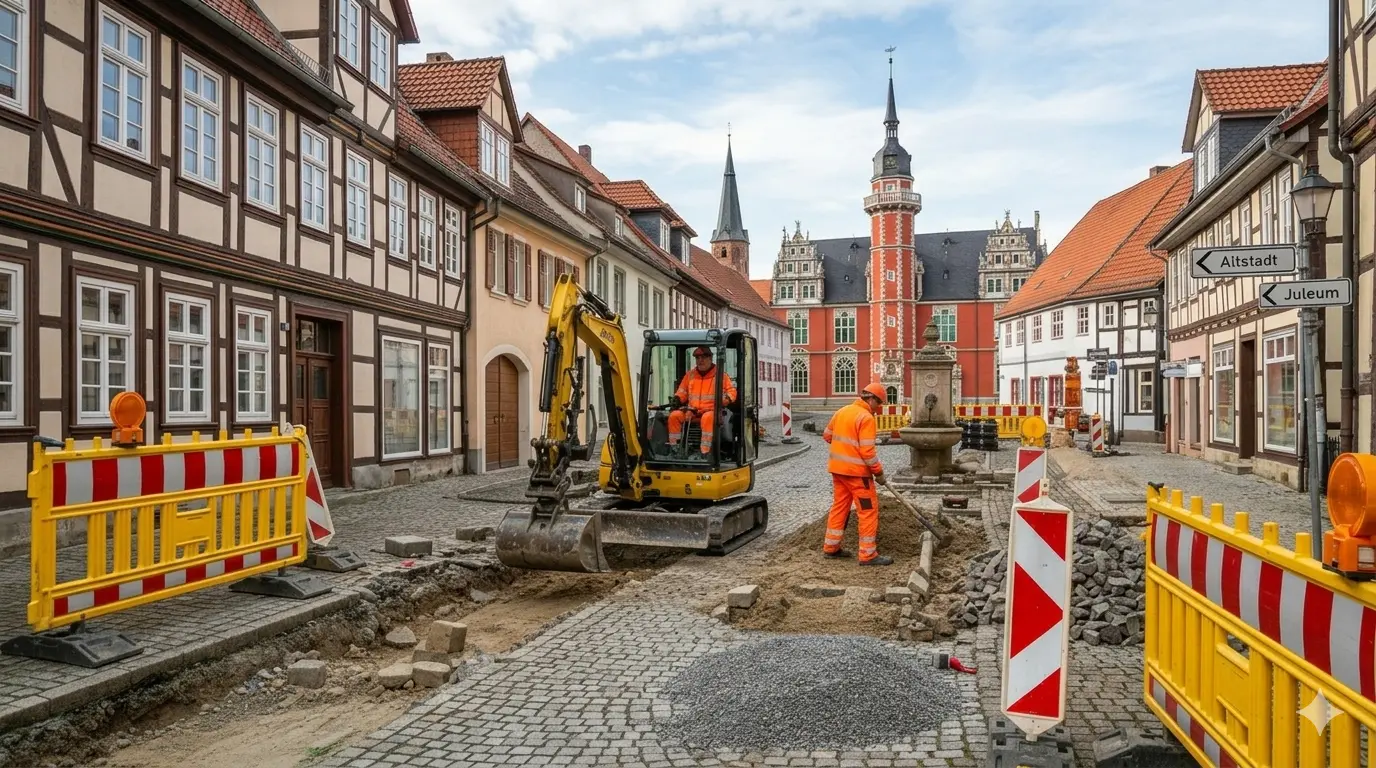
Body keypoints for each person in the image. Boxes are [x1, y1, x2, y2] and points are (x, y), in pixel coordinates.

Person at [821, 381, 891, 566]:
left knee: (840, 507)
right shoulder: (866, 418)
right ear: (871, 399)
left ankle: (831, 547)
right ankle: (868, 555)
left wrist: (844, 449)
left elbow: (827, 435)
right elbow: (868, 453)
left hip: (838, 472)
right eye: (879, 404)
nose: (878, 409)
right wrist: (879, 473)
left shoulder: (842, 411)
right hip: (858, 476)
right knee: (868, 511)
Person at [667, 347, 738, 455]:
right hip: (692, 412)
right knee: (674, 416)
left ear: (711, 358)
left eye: (703, 357)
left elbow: (731, 391)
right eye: (698, 358)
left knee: (707, 418)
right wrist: (677, 399)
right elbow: (682, 391)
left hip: (711, 411)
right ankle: (675, 448)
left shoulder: (720, 375)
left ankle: (705, 452)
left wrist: (727, 398)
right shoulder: (690, 375)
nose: (700, 360)